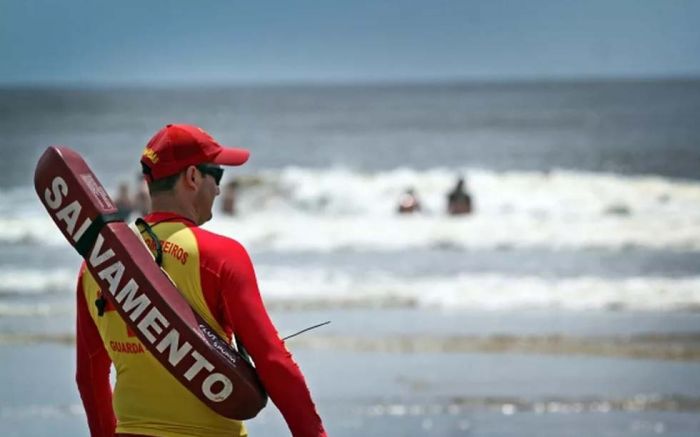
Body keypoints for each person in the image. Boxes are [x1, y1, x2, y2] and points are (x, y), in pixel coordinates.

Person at [75, 124, 327, 437]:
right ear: (192, 177)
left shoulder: (95, 267)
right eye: (217, 176)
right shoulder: (220, 255)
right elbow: (272, 361)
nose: (220, 190)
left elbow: (90, 375)